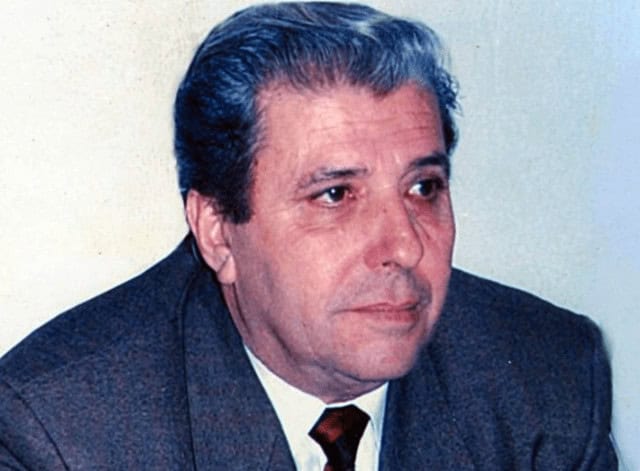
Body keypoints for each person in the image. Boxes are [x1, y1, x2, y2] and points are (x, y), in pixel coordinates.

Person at [0, 2, 617, 469]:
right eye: (336, 195)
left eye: (423, 188)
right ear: (217, 232)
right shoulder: (60, 431)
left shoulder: (548, 378)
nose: (404, 247)